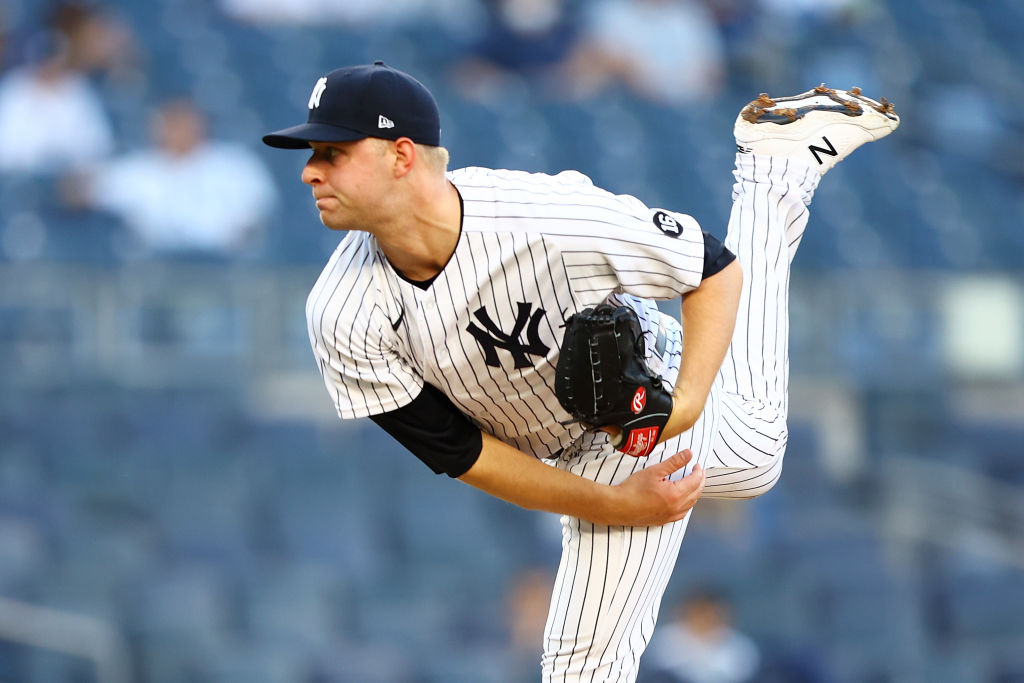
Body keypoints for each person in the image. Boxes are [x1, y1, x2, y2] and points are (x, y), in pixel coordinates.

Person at [262, 62, 898, 681]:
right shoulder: (343, 313)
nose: (309, 171)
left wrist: (685, 406)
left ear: (401, 156)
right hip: (553, 446)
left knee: (584, 664)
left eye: (332, 152)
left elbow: (711, 269)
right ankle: (769, 177)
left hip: (634, 400)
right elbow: (460, 452)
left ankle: (768, 178)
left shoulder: (546, 216)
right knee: (757, 454)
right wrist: (614, 504)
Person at [67, 98, 278, 256]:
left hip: (218, 268)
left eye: (185, 122)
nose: (178, 130)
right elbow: (82, 192)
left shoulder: (234, 164)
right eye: (171, 123)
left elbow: (260, 210)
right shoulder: (139, 170)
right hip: (155, 268)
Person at [644, 587, 760, 683]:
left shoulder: (740, 647)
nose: (707, 618)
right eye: (702, 612)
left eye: (713, 613)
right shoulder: (663, 640)